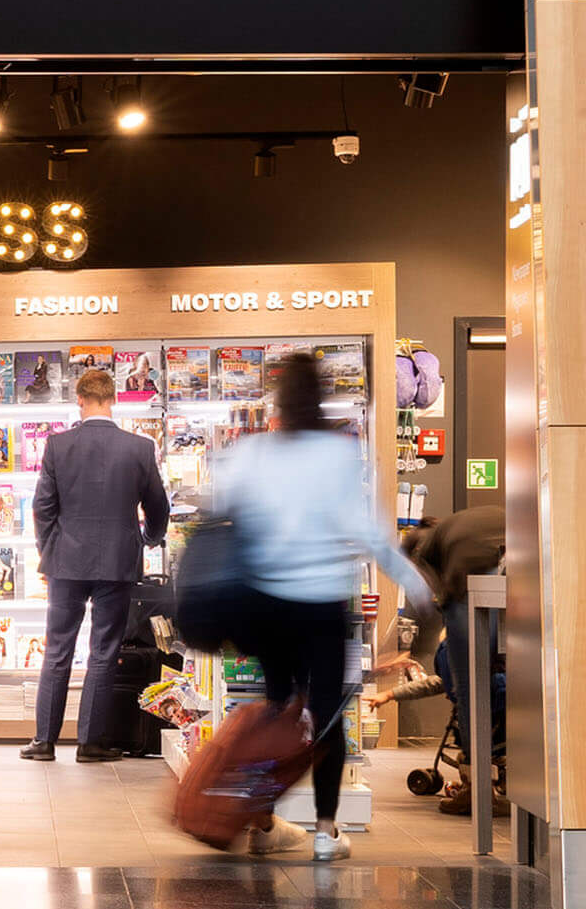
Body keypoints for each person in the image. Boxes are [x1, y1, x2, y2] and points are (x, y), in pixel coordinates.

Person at [211, 352, 434, 861]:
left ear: (278, 400)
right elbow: (367, 532)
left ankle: (262, 822)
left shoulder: (253, 452)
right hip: (322, 605)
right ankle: (326, 831)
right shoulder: (338, 454)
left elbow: (225, 512)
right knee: (328, 715)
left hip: (266, 604)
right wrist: (413, 583)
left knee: (276, 711)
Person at [25, 366, 171, 764]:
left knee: (57, 649)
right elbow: (158, 506)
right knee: (104, 651)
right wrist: (149, 539)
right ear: (114, 399)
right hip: (117, 563)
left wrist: (49, 549)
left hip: (65, 563)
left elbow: (43, 508)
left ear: (80, 399)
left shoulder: (57, 445)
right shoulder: (139, 448)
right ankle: (91, 743)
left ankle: (44, 741)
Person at [405, 502, 506, 816]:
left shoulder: (424, 547)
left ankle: (478, 791)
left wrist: (443, 608)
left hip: (477, 584)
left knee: (470, 689)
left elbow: (439, 593)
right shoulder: (474, 517)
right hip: (523, 572)